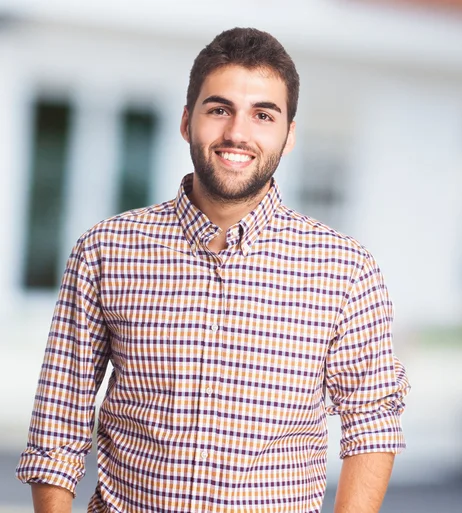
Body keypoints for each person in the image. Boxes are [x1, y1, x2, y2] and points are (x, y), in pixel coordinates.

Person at [16, 27, 410, 513]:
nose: (237, 133)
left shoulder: (346, 269)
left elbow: (371, 421)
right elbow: (59, 420)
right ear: (186, 121)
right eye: (219, 109)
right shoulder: (105, 251)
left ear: (289, 135)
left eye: (263, 115)